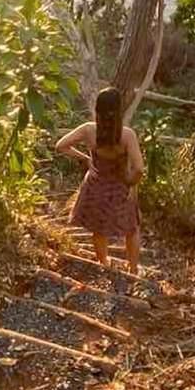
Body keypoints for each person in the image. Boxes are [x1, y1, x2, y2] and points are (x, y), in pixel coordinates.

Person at [56, 86, 145, 273]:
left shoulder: (88, 130)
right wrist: (130, 183)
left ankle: (103, 264)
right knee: (132, 229)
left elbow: (61, 146)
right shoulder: (127, 135)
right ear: (119, 110)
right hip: (120, 189)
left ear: (97, 109)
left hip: (96, 185)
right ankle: (133, 270)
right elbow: (139, 168)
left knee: (98, 228)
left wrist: (85, 158)